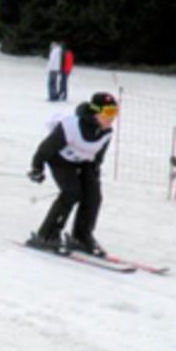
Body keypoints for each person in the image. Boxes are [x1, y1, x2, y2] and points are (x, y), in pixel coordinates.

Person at [26, 92, 119, 256]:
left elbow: (98, 157)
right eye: (109, 113)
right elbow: (46, 148)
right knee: (71, 193)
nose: (112, 118)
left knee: (93, 196)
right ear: (95, 112)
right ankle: (47, 235)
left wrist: (93, 178)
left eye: (115, 113)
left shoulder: (106, 132)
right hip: (60, 159)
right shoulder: (72, 125)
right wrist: (37, 168)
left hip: (84, 162)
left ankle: (81, 236)